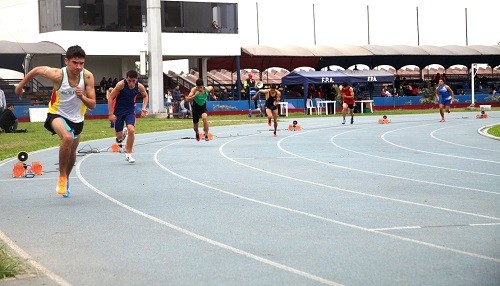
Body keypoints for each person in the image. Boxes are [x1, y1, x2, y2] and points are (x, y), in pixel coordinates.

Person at [15, 45, 96, 197]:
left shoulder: (87, 77)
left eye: (81, 63)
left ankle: (66, 178)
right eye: (75, 63)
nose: (78, 67)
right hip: (56, 114)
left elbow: (92, 104)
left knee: (72, 151)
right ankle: (62, 177)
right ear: (67, 61)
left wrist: (82, 97)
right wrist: (21, 85)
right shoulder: (58, 75)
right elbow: (36, 70)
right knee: (67, 138)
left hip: (77, 118)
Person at [107, 70, 149, 163]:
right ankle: (123, 133)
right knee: (119, 138)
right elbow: (110, 97)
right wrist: (110, 113)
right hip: (119, 111)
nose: (131, 83)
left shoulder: (139, 86)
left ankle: (128, 154)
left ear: (136, 79)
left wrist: (144, 108)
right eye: (129, 81)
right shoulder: (120, 85)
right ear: (126, 78)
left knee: (132, 129)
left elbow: (145, 96)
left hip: (130, 111)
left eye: (133, 81)